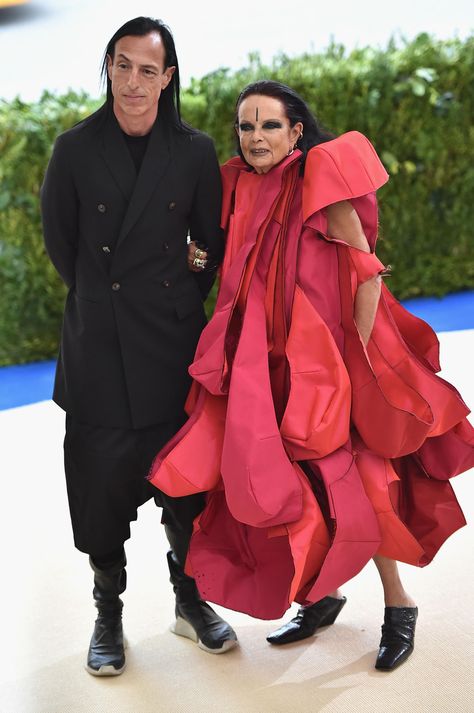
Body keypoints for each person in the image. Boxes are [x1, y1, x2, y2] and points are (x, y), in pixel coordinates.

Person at [149, 80, 474, 671]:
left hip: (329, 368)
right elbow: (226, 259)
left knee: (364, 483)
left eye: (270, 125)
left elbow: (366, 273)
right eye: (246, 127)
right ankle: (322, 598)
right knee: (300, 484)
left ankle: (399, 606)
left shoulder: (320, 177)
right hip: (265, 368)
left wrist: (360, 357)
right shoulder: (237, 186)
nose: (255, 138)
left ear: (296, 131)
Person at [41, 16, 237, 677]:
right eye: (121, 65)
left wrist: (176, 297)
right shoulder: (73, 148)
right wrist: (104, 297)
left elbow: (210, 244)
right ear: (108, 67)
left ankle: (190, 600)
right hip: (97, 348)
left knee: (186, 492)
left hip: (169, 350)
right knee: (99, 496)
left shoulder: (194, 150)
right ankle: (108, 611)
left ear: (167, 78)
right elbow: (61, 242)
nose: (131, 81)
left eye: (146, 69)